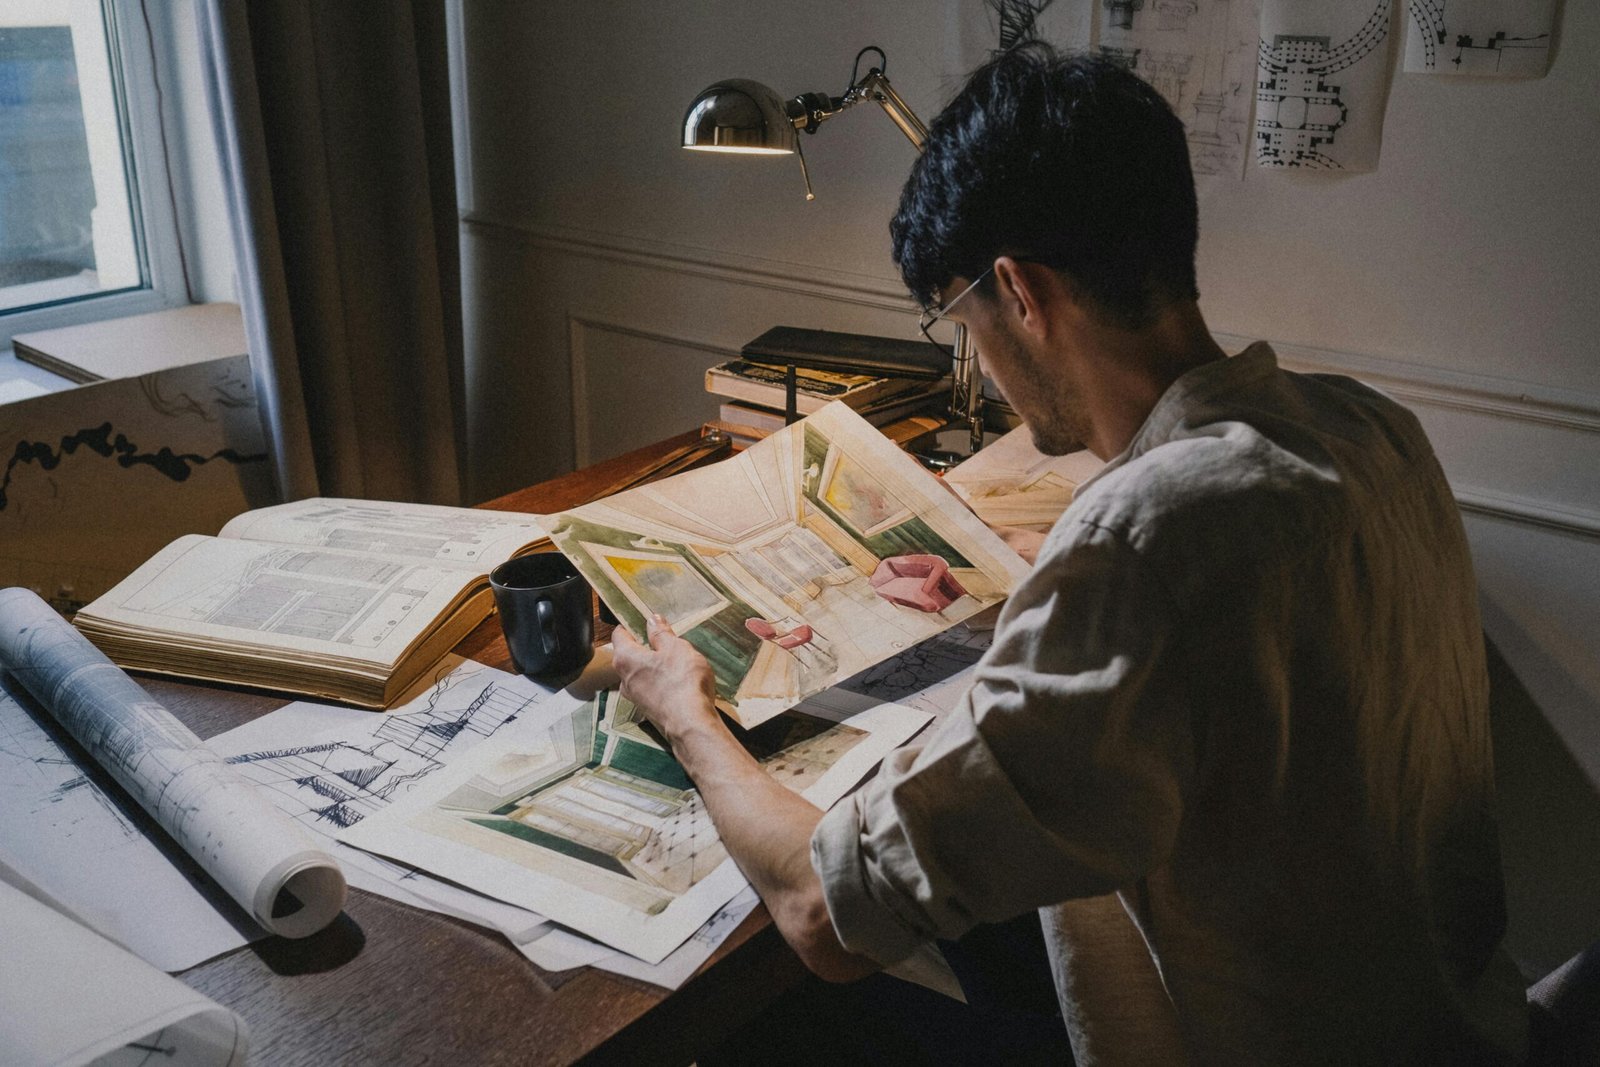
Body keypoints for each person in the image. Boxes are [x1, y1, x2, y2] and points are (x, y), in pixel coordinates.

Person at [613, 44, 1527, 1064]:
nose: (984, 362)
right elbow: (1237, 644)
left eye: (964, 318)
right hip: (1460, 1029)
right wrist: (1022, 590)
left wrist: (684, 711)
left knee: (770, 1010)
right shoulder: (1370, 430)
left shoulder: (1138, 543)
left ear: (1020, 290)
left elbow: (821, 913)